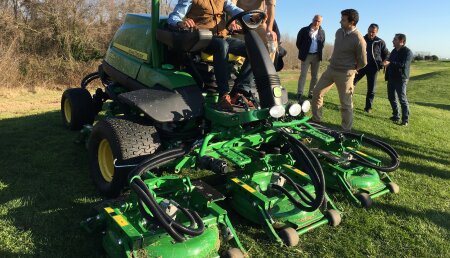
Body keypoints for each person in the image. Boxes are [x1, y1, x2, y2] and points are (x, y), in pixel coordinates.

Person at [168, 0, 251, 111]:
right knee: (221, 46)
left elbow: (236, 11)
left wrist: (250, 17)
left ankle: (239, 92)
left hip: (222, 37)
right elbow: (174, 17)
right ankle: (223, 95)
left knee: (251, 49)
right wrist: (181, 23)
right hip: (202, 38)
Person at [311, 9, 367, 131]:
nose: (340, 21)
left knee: (345, 104)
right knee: (316, 93)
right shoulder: (338, 32)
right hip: (331, 69)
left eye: (343, 19)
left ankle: (346, 130)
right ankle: (316, 119)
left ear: (352, 22)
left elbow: (363, 61)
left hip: (345, 74)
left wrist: (353, 69)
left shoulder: (358, 39)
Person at [353, 23, 389, 113]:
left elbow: (387, 54)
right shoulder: (362, 39)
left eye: (373, 32)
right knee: (351, 83)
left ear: (377, 32)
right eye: (369, 31)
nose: (371, 33)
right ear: (367, 30)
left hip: (373, 68)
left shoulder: (380, 42)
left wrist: (384, 62)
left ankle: (368, 108)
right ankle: (347, 103)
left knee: (371, 89)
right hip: (361, 67)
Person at [384, 33, 413, 126]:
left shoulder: (408, 52)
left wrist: (390, 63)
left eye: (395, 39)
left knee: (402, 99)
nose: (393, 41)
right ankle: (396, 115)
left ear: (401, 41)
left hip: (401, 79)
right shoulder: (394, 51)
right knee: (391, 97)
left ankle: (405, 120)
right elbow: (390, 61)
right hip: (391, 77)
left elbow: (403, 64)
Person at [296, 15, 325, 100]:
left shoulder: (322, 32)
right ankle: (299, 93)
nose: (317, 22)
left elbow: (322, 44)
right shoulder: (304, 30)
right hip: (306, 56)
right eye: (315, 20)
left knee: (315, 76)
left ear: (321, 22)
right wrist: (304, 51)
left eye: (319, 21)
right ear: (312, 20)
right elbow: (298, 43)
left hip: (316, 56)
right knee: (303, 75)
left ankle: (311, 93)